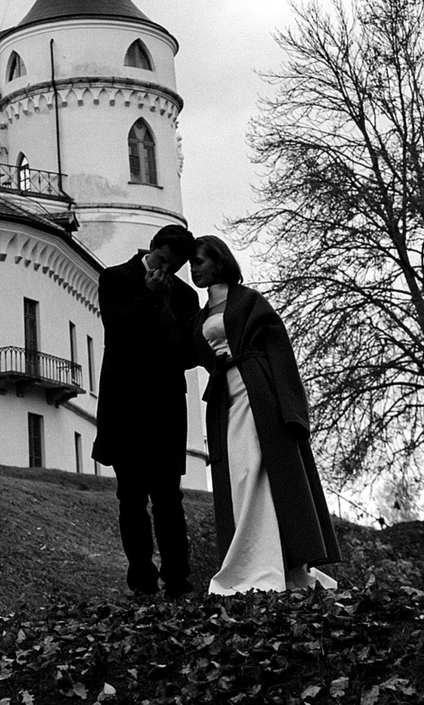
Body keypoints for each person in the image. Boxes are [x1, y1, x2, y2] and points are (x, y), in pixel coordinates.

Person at [187, 234, 341, 594]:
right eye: (192, 263)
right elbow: (192, 348)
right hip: (226, 398)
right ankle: (251, 560)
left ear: (220, 263)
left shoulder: (250, 302)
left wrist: (291, 409)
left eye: (200, 261)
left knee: (261, 467)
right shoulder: (200, 315)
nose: (194, 269)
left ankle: (271, 563)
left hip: (257, 391)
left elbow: (280, 352)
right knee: (239, 474)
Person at [90, 222, 205, 597]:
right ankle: (141, 578)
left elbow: (188, 352)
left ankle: (178, 579)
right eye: (160, 260)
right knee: (132, 496)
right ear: (150, 248)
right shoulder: (115, 278)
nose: (163, 270)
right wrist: (150, 297)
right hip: (125, 405)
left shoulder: (185, 298)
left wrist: (165, 304)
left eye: (172, 266)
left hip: (165, 405)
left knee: (169, 497)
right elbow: (117, 330)